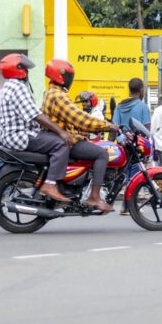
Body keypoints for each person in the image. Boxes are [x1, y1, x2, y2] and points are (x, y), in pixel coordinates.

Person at [43, 58, 119, 212]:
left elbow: (70, 121)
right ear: (60, 76)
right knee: (102, 154)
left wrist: (88, 130)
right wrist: (107, 125)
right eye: (68, 76)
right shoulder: (58, 95)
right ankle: (94, 197)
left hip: (63, 138)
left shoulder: (51, 92)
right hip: (66, 142)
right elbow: (79, 118)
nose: (70, 80)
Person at [0, 53, 72, 203]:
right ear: (18, 69)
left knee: (52, 138)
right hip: (20, 136)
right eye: (26, 69)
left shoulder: (7, 87)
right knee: (61, 143)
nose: (28, 72)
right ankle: (50, 184)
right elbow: (35, 115)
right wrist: (61, 131)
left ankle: (50, 181)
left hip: (11, 135)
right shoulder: (18, 87)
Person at [112, 78, 151, 215]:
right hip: (136, 146)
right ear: (141, 90)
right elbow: (147, 129)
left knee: (125, 175)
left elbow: (114, 127)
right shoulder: (143, 106)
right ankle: (126, 207)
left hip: (122, 145)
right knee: (134, 176)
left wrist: (113, 143)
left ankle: (124, 205)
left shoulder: (119, 105)